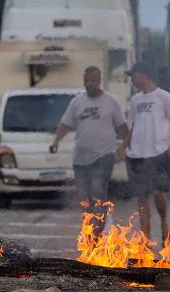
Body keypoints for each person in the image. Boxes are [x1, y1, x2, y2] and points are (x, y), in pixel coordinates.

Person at [50, 66, 128, 235]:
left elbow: (123, 128)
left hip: (104, 155)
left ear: (99, 81)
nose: (89, 84)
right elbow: (65, 124)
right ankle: (90, 226)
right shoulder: (77, 102)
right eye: (86, 81)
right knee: (84, 198)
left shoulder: (111, 101)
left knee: (98, 191)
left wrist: (123, 146)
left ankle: (97, 231)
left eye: (93, 81)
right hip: (81, 158)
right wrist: (56, 141)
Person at [119, 62, 170, 243]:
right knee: (141, 196)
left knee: (158, 192)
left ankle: (164, 224)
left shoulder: (163, 97)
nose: (132, 80)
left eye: (133, 76)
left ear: (143, 75)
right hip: (137, 154)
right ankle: (145, 237)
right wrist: (124, 146)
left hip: (157, 152)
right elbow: (132, 127)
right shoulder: (135, 100)